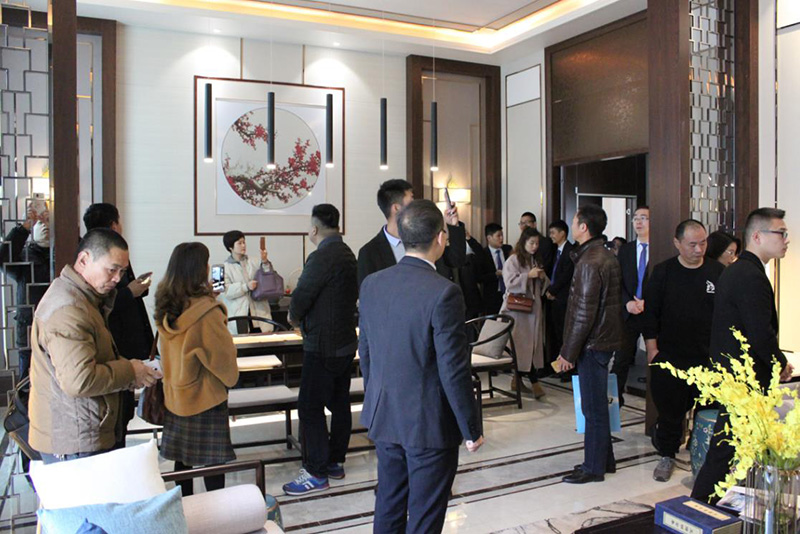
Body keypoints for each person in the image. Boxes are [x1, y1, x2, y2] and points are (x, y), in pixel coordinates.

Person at [359, 199, 484, 533]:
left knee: (389, 505)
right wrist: (471, 428)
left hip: (385, 415)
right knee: (425, 515)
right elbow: (453, 368)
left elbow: (366, 353)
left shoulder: (372, 284)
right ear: (441, 238)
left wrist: (377, 400)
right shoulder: (444, 292)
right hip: (428, 423)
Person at [28, 229, 160, 463]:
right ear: (84, 260)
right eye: (112, 269)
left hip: (83, 428)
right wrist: (131, 371)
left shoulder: (85, 299)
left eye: (122, 271)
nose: (117, 279)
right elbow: (80, 380)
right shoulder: (69, 309)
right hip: (75, 438)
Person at [692, 208, 794, 503]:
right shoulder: (749, 275)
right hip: (744, 380)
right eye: (781, 233)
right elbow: (760, 332)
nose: (786, 240)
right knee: (726, 449)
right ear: (758, 236)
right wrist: (779, 363)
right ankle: (700, 506)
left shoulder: (741, 270)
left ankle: (723, 505)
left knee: (735, 447)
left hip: (737, 376)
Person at [283, 204, 359, 495]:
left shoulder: (321, 256)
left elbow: (302, 296)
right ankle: (335, 461)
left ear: (314, 229)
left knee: (310, 407)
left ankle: (316, 471)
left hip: (322, 345)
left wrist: (294, 318)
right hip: (345, 342)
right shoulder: (348, 253)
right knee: (340, 403)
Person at [155, 242, 239, 497]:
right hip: (205, 398)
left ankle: (186, 510)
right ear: (198, 270)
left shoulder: (167, 306)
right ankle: (215, 510)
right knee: (213, 463)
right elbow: (224, 362)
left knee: (183, 461)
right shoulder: (206, 313)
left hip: (175, 396)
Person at [643, 220, 723, 482]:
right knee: (670, 412)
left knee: (708, 409)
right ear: (677, 243)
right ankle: (667, 455)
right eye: (692, 244)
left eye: (703, 243)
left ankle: (703, 456)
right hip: (671, 357)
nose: (699, 249)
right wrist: (652, 350)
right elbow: (651, 314)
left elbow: (725, 315)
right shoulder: (663, 272)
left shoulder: (717, 271)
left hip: (707, 358)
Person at [556, 205, 624, 484]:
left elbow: (584, 313)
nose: (572, 225)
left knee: (592, 409)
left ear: (583, 227)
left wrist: (568, 353)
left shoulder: (589, 261)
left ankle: (593, 468)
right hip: (603, 340)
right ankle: (605, 460)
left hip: (593, 343)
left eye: (575, 221)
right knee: (597, 405)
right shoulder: (604, 254)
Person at [83, 203, 155, 449]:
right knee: (116, 412)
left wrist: (136, 288)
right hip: (116, 341)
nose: (115, 276)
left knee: (123, 411)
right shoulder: (102, 256)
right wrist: (129, 292)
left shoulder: (116, 251)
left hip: (126, 339)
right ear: (114, 224)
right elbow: (103, 300)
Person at [358, 179, 465, 287]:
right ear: (396, 208)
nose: (415, 204)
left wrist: (453, 225)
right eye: (411, 199)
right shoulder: (369, 252)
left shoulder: (425, 233)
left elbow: (456, 261)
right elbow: (368, 291)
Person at [0, 205, 51, 379]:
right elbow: (3, 259)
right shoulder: (23, 258)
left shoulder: (64, 255)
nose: (45, 225)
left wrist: (64, 226)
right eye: (40, 222)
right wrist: (24, 228)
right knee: (28, 383)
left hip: (59, 329)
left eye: (49, 221)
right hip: (29, 330)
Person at [501, 227, 548, 399]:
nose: (534, 246)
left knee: (529, 347)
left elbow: (543, 284)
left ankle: (517, 380)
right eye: (531, 243)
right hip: (518, 311)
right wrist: (528, 275)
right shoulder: (513, 259)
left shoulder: (535, 259)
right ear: (523, 242)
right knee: (522, 347)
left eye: (537, 243)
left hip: (533, 310)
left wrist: (542, 277)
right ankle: (534, 382)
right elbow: (509, 282)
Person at [612, 206, 650, 406]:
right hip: (628, 313)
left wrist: (647, 302)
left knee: (657, 359)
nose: (638, 222)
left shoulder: (661, 248)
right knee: (621, 360)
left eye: (644, 218)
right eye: (636, 218)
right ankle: (614, 402)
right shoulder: (626, 250)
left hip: (651, 313)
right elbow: (617, 281)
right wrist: (627, 302)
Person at [219, 230, 275, 334]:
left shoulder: (254, 261)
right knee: (243, 341)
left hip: (260, 313)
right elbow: (225, 293)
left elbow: (269, 278)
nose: (243, 245)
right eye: (239, 243)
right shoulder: (222, 268)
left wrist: (265, 261)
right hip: (239, 315)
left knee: (264, 340)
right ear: (230, 247)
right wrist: (245, 287)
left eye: (244, 242)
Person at [480, 223, 512, 316]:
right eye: (498, 236)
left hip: (509, 293)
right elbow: (479, 277)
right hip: (492, 296)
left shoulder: (508, 249)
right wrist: (495, 275)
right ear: (489, 238)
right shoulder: (482, 254)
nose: (501, 238)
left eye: (502, 235)